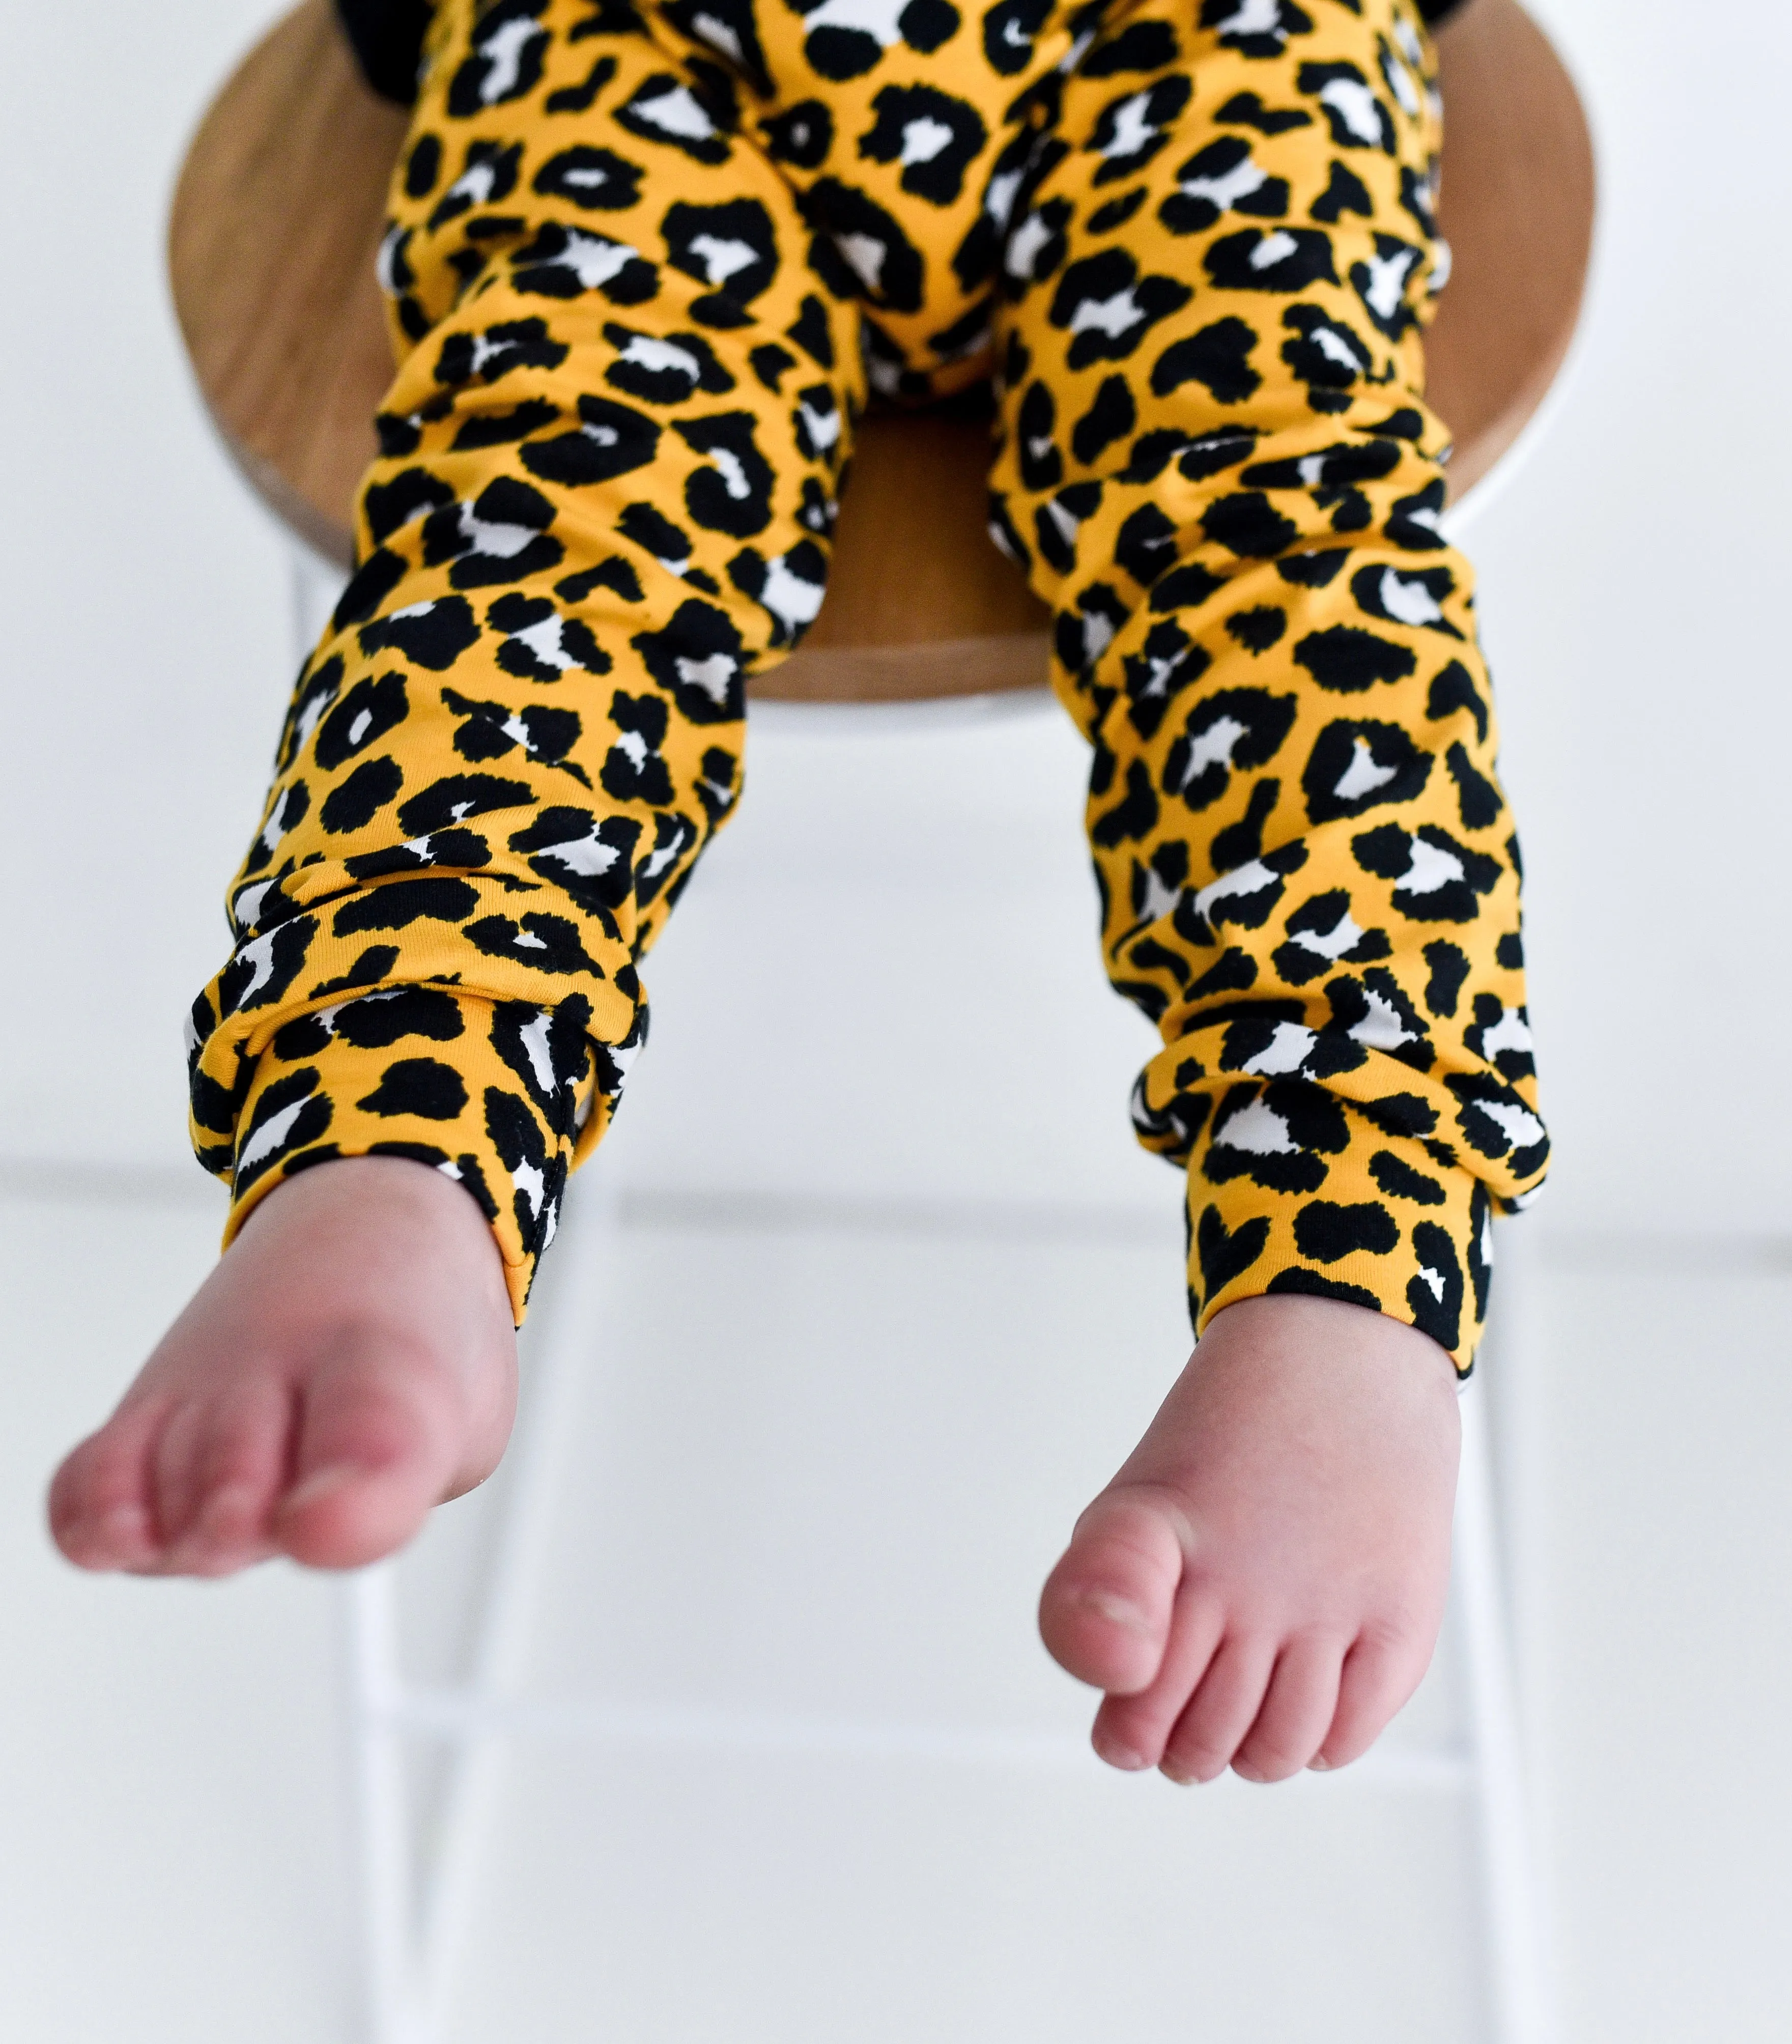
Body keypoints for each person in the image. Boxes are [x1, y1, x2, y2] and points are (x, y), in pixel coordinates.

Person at [48, 0, 1546, 1787]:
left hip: (1210, 40)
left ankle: (1349, 1272)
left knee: (1279, 542)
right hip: (643, 43)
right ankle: (390, 1141)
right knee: (546, 519)